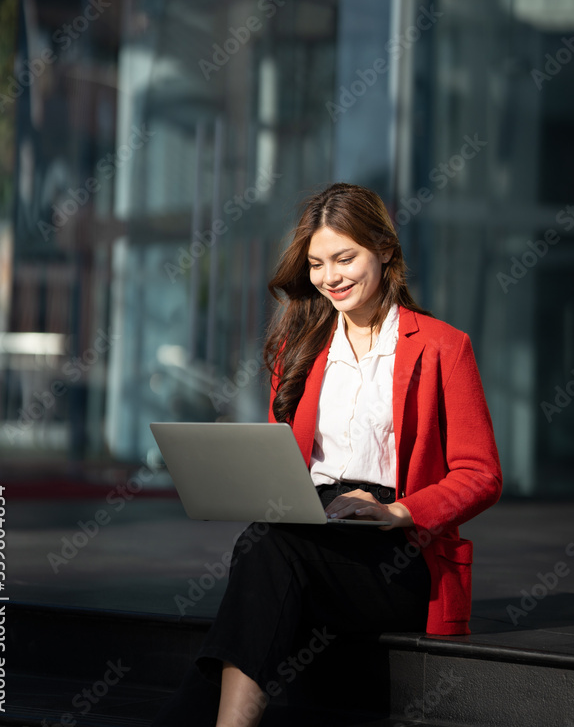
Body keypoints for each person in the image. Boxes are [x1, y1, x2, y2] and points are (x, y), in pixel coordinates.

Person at [152, 182, 502, 727]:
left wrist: (395, 511)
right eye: (316, 264)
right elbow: (281, 459)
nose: (329, 277)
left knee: (266, 548)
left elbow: (481, 474)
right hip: (311, 524)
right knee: (269, 541)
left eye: (344, 258)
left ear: (384, 250)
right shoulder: (301, 350)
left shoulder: (442, 347)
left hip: (399, 549)